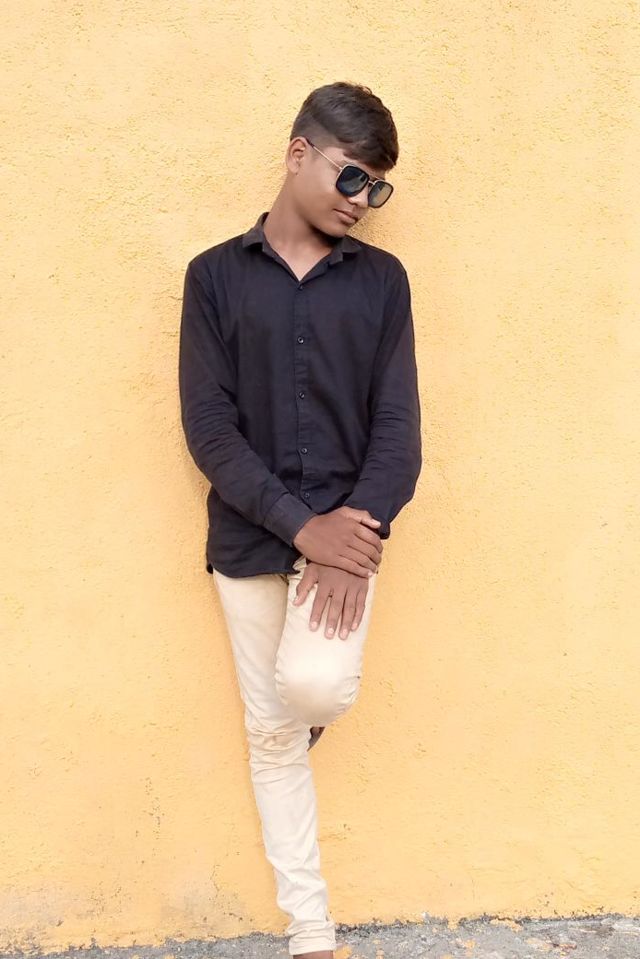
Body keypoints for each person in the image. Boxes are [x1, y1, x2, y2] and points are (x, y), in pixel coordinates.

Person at [178, 81, 422, 959]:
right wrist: (298, 526)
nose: (363, 201)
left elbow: (399, 429)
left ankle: (296, 718)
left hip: (347, 541)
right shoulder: (214, 277)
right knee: (272, 737)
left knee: (312, 692)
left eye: (377, 189)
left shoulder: (383, 283)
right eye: (352, 177)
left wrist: (350, 532)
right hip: (249, 540)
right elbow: (209, 428)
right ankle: (311, 932)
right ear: (297, 154)